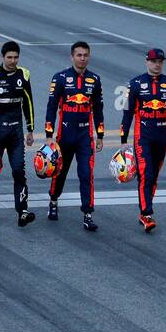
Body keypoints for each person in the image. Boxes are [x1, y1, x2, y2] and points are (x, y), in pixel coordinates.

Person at [121, 48, 166, 232]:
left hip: (161, 136)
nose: (157, 64)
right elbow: (127, 113)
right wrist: (123, 139)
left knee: (153, 176)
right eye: (154, 61)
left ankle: (145, 208)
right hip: (143, 136)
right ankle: (146, 213)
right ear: (146, 62)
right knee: (145, 173)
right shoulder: (134, 84)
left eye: (160, 61)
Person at [44, 40, 104, 232]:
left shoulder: (94, 80)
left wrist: (100, 134)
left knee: (87, 175)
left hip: (85, 137)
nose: (82, 58)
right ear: (72, 57)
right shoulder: (60, 78)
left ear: (89, 57)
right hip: (64, 136)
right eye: (79, 55)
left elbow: (99, 109)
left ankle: (88, 213)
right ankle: (53, 200)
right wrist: (48, 135)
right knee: (59, 173)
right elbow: (51, 107)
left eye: (85, 55)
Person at [0, 41, 36, 226]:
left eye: (16, 57)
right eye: (9, 57)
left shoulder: (24, 74)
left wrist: (30, 129)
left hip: (16, 131)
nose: (13, 61)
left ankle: (22, 211)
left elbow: (28, 102)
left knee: (19, 170)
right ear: (2, 57)